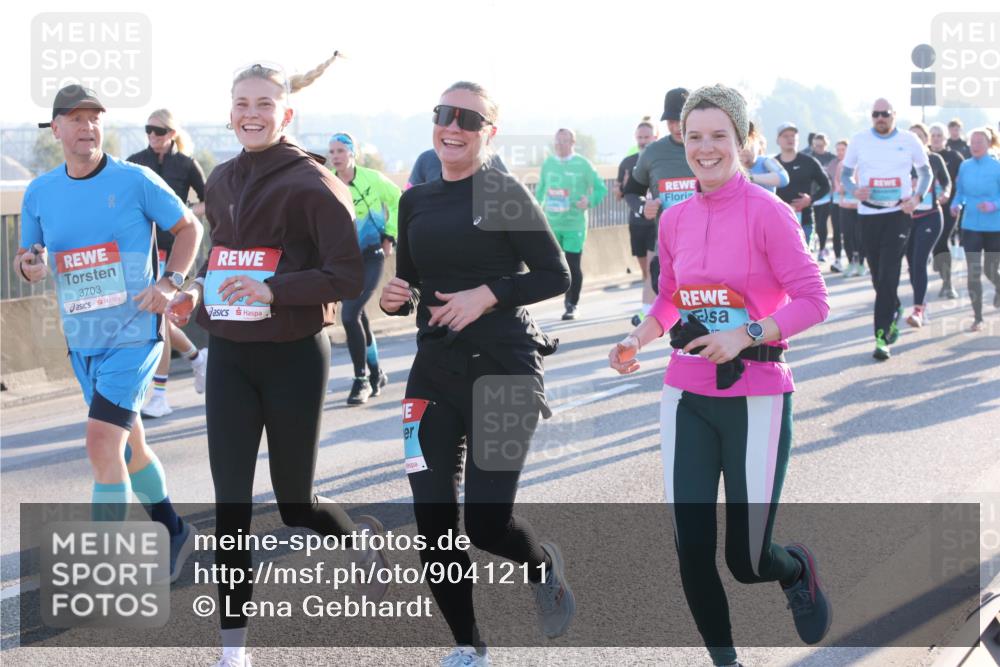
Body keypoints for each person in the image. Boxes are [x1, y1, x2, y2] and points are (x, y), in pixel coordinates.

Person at [166, 57, 389, 667]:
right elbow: (224, 259)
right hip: (233, 356)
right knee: (232, 504)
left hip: (294, 357)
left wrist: (275, 290)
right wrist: (195, 292)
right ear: (230, 112)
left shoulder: (316, 183)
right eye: (242, 104)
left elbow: (345, 277)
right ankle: (233, 651)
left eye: (265, 104)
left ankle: (356, 538)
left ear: (286, 113)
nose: (251, 114)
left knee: (295, 503)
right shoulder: (220, 180)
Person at [608, 84, 831, 667]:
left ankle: (795, 569)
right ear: (683, 141)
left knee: (748, 559)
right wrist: (638, 336)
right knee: (692, 549)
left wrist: (747, 334)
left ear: (743, 141)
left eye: (719, 137)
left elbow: (813, 300)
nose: (706, 149)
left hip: (757, 396)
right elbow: (668, 301)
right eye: (695, 136)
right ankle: (726, 662)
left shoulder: (769, 212)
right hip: (686, 393)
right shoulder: (675, 220)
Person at [379, 80, 575, 667]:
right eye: (445, 114)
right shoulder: (415, 200)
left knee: (488, 525)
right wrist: (397, 294)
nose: (454, 126)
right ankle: (469, 646)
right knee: (432, 523)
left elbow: (554, 274)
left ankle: (541, 567)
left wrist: (487, 294)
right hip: (432, 372)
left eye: (469, 118)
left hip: (504, 371)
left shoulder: (503, 191)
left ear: (489, 131)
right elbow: (413, 281)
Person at [18, 84, 202, 580]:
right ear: (55, 128)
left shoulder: (136, 180)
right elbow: (29, 256)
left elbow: (189, 229)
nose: (88, 126)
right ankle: (173, 528)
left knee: (101, 443)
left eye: (94, 117)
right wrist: (31, 266)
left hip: (134, 333)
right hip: (83, 339)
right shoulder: (40, 191)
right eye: (76, 119)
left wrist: (170, 282)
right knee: (128, 447)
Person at [127, 108, 209, 418]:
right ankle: (197, 358)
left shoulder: (186, 164)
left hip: (177, 253)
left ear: (172, 134)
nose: (152, 136)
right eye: (148, 130)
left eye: (158, 131)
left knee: (159, 320)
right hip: (144, 254)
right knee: (158, 319)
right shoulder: (136, 161)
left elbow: (209, 200)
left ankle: (159, 396)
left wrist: (186, 213)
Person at [841, 98, 931, 360]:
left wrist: (916, 198)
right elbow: (845, 175)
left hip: (897, 214)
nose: (880, 118)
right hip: (868, 215)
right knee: (878, 276)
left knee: (889, 274)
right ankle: (893, 306)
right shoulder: (859, 140)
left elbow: (925, 173)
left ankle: (882, 337)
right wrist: (853, 189)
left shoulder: (909, 140)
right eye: (876, 114)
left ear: (894, 115)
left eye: (885, 114)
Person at [327, 131, 400, 405]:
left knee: (349, 315)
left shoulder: (372, 179)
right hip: (346, 260)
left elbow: (397, 199)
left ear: (352, 153)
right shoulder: (329, 183)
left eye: (340, 151)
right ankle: (376, 372)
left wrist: (390, 234)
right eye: (331, 152)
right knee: (359, 318)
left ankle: (361, 381)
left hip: (372, 254)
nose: (335, 156)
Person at [629, 88, 696, 305]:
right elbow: (632, 191)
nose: (677, 126)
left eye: (681, 119)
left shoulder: (709, 147)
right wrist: (643, 207)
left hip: (710, 248)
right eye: (671, 121)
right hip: (669, 250)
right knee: (676, 322)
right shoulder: (654, 153)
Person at [535, 127, 608, 320]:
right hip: (552, 222)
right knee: (555, 264)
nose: (560, 145)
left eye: (564, 141)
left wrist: (589, 201)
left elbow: (601, 189)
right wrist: (535, 212)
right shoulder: (548, 164)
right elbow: (540, 191)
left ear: (572, 143)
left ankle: (572, 304)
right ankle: (559, 296)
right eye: (557, 141)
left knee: (573, 265)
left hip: (574, 224)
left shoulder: (584, 165)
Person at [950, 127, 1000, 332]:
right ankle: (978, 317)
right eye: (973, 141)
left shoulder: (997, 166)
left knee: (990, 268)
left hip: (994, 225)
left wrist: (994, 205)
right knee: (973, 272)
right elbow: (960, 192)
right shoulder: (965, 166)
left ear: (988, 144)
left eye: (980, 141)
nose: (975, 145)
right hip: (970, 225)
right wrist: (955, 204)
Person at [904, 123, 950, 328]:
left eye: (919, 136)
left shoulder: (934, 159)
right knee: (912, 266)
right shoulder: (901, 161)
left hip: (930, 216)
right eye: (911, 137)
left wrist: (945, 193)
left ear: (925, 139)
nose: (915, 140)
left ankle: (918, 310)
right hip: (907, 220)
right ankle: (922, 303)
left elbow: (946, 181)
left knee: (920, 261)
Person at [617, 117, 659, 326]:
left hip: (655, 224)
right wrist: (623, 188)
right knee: (646, 273)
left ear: (655, 137)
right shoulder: (627, 162)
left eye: (647, 137)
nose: (643, 141)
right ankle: (653, 303)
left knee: (653, 268)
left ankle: (646, 313)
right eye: (640, 138)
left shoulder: (660, 160)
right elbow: (620, 194)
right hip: (636, 223)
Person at [774, 122, 831, 248]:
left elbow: (826, 186)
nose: (790, 139)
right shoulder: (771, 164)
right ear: (778, 140)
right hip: (779, 222)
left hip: (804, 221)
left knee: (804, 262)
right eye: (785, 136)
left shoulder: (809, 162)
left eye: (793, 136)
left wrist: (810, 199)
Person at [929, 123, 966, 298]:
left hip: (949, 207)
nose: (936, 138)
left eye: (939, 135)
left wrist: (957, 202)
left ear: (945, 138)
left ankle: (948, 284)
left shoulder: (954, 156)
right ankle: (942, 270)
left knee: (942, 240)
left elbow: (961, 183)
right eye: (933, 135)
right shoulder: (926, 156)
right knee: (937, 244)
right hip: (929, 208)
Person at [833, 139, 865, 277]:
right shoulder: (842, 164)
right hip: (845, 204)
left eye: (844, 149)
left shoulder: (863, 164)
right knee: (847, 235)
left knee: (860, 235)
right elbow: (836, 180)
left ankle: (861, 263)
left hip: (860, 206)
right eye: (838, 150)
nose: (842, 152)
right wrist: (839, 187)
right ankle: (851, 262)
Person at [406, 146, 508, 188]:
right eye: (446, 117)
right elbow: (409, 205)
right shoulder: (426, 159)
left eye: (470, 120)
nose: (454, 128)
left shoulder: (492, 160)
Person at [808, 133, 838, 265]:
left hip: (827, 195)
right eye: (816, 145)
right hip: (811, 195)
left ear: (826, 145)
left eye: (821, 145)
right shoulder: (809, 158)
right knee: (812, 224)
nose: (818, 148)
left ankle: (822, 248)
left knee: (822, 223)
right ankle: (811, 247)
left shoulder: (832, 158)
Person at [738, 129, 788, 193]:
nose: (745, 150)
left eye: (750, 146)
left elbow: (784, 178)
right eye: (743, 146)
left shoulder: (765, 161)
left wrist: (750, 177)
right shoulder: (734, 165)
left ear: (758, 147)